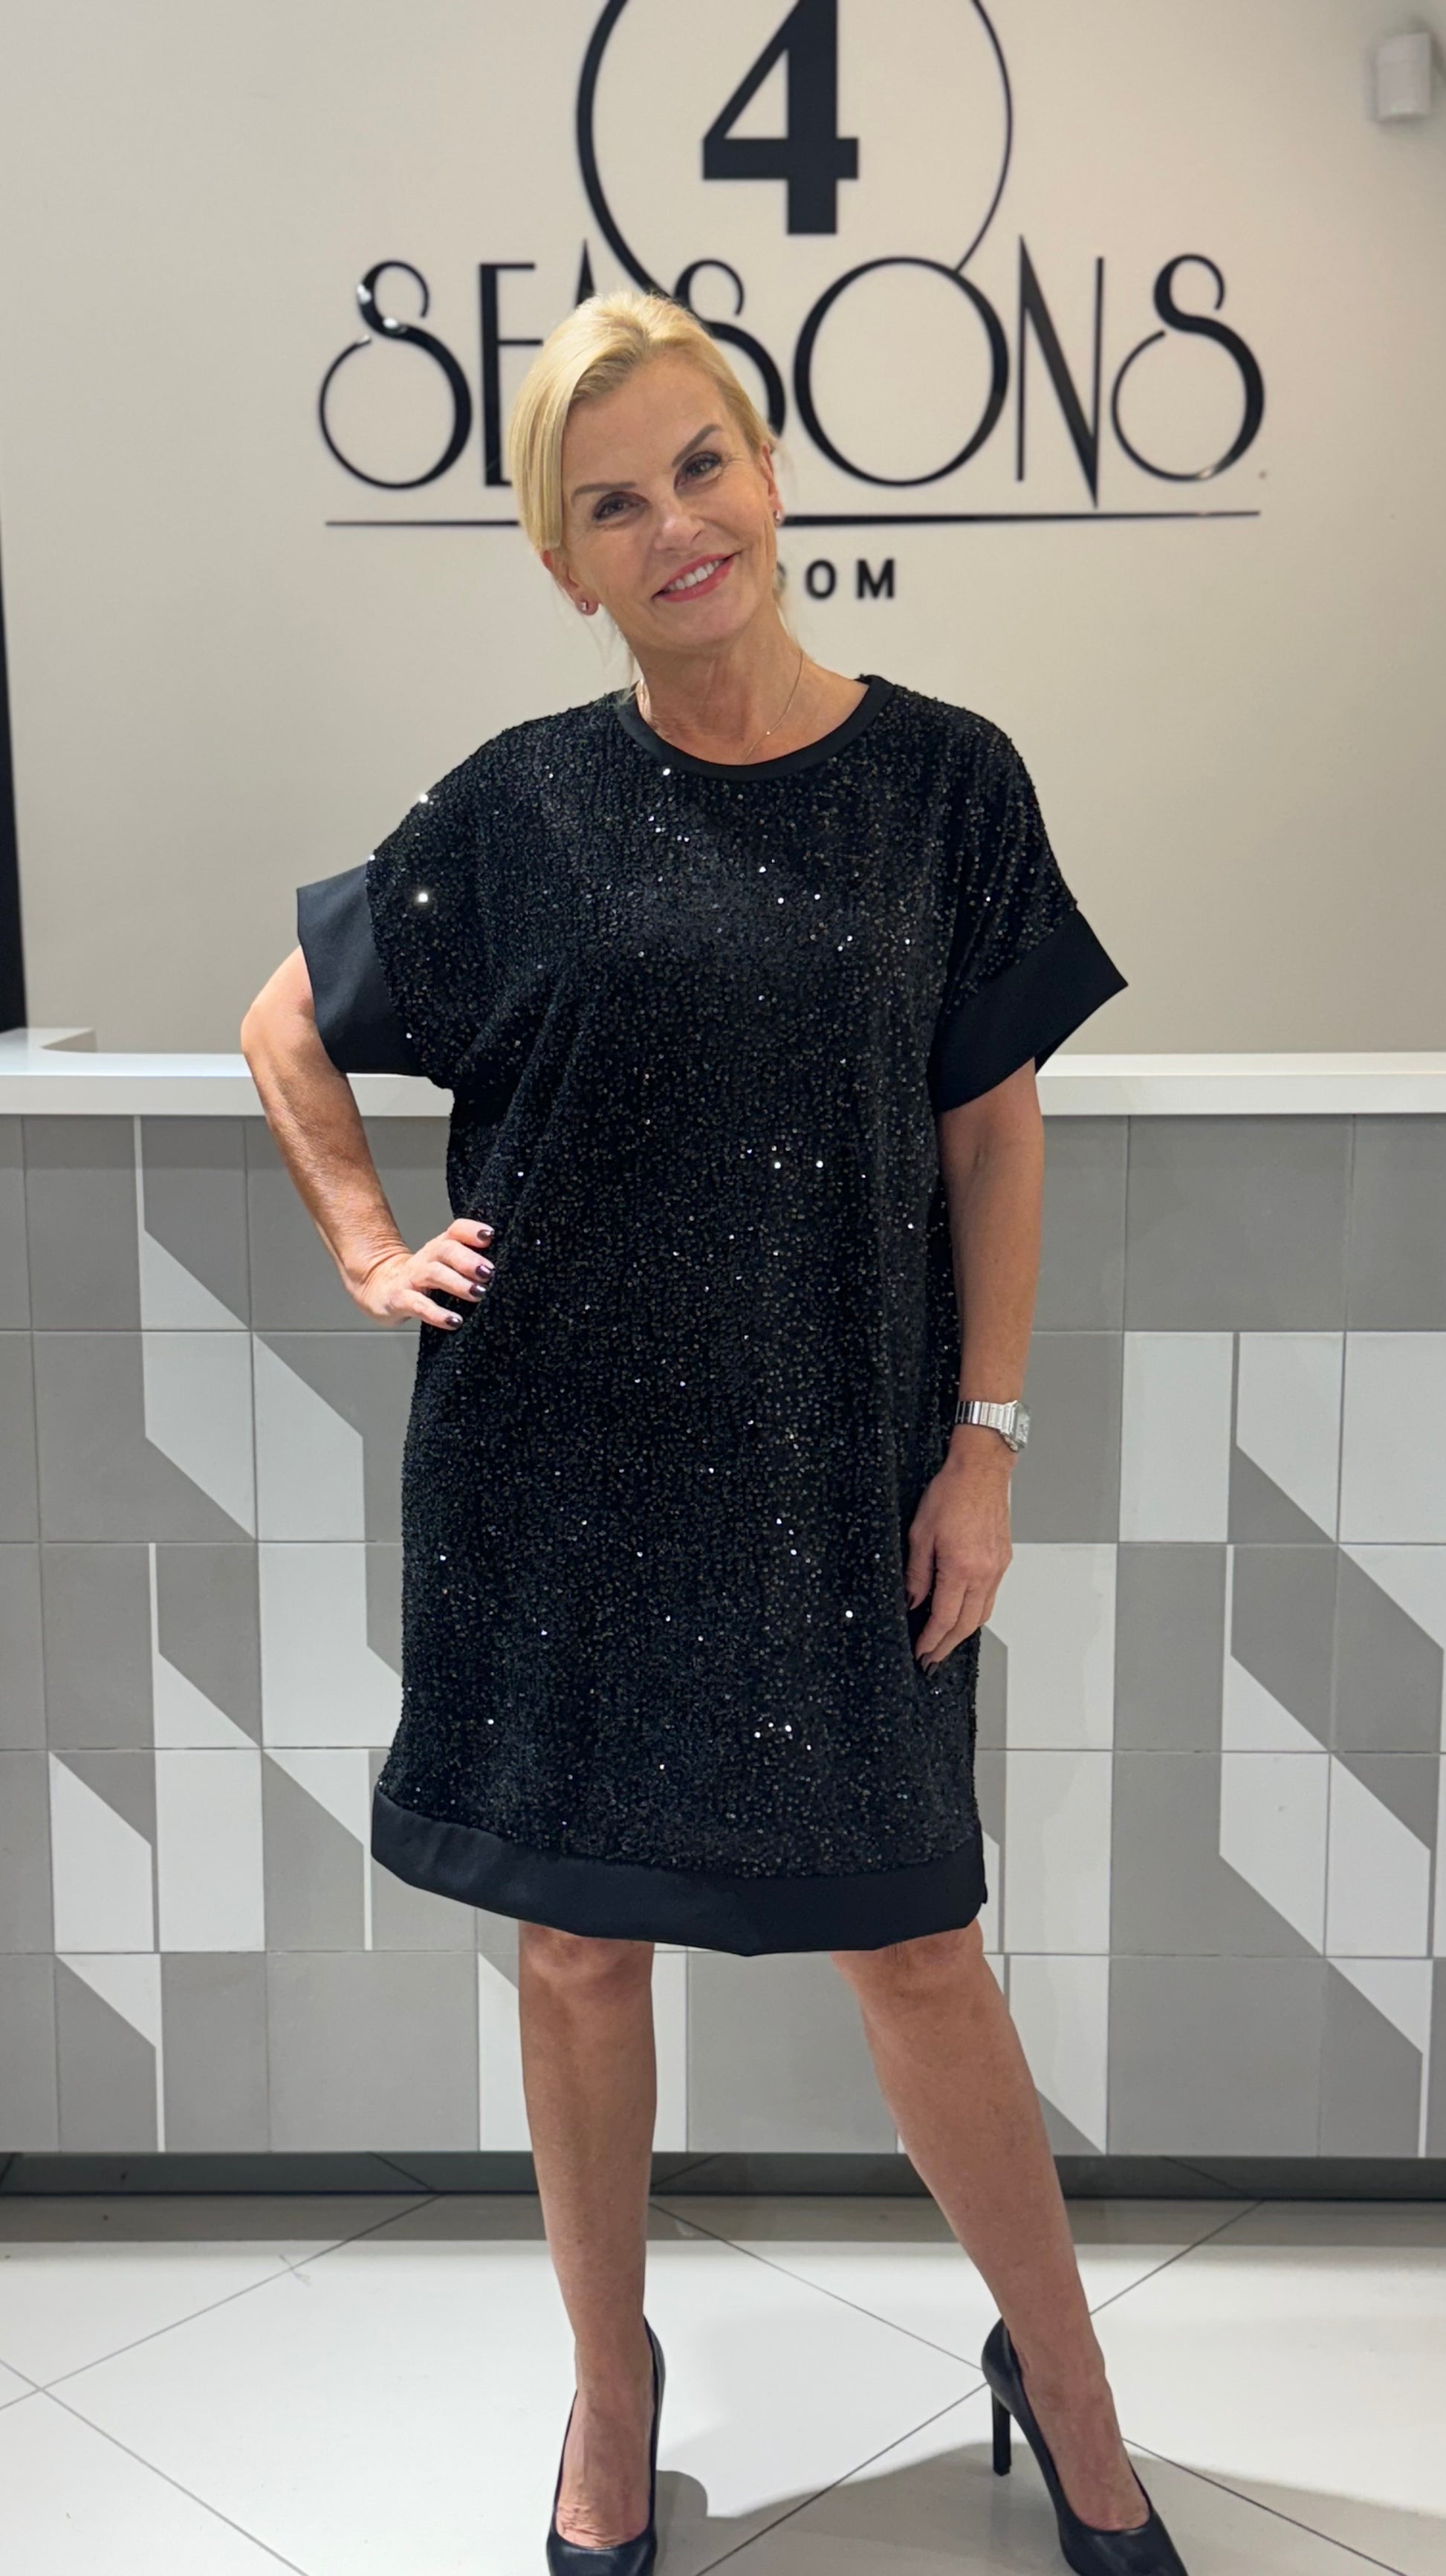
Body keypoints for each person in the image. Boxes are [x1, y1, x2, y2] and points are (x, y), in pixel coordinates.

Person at [241, 289, 1184, 2576]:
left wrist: (985, 1440)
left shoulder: (947, 780)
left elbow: (991, 1132)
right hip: (553, 1476)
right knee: (579, 1956)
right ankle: (609, 2389)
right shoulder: (518, 803)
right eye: (611, 503)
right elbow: (284, 1022)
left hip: (839, 1468)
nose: (675, 525)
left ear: (767, 473)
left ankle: (1064, 2380)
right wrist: (368, 1242)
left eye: (699, 465)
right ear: (561, 560)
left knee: (917, 1946)